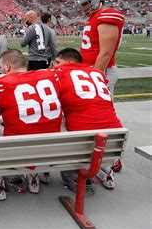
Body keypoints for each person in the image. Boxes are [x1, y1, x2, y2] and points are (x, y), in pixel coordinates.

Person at [0, 49, 62, 201]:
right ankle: (34, 175)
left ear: (7, 67)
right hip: (51, 148)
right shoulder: (50, 76)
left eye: (1, 67)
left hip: (18, 150)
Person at [53, 48, 123, 189]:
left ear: (69, 62)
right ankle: (105, 169)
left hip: (81, 143)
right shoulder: (98, 73)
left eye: (57, 62)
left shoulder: (58, 73)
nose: (54, 65)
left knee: (54, 119)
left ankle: (73, 175)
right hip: (115, 140)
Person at [76, 0, 125, 97]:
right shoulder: (95, 16)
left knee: (101, 110)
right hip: (91, 69)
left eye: (85, 3)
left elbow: (106, 53)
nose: (83, 7)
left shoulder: (108, 15)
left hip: (102, 70)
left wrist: (95, 76)